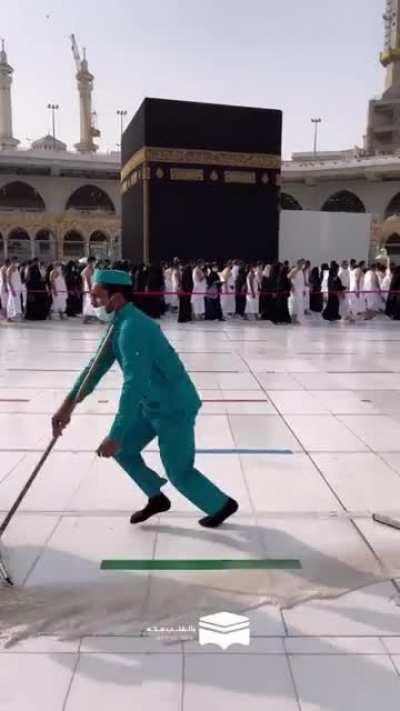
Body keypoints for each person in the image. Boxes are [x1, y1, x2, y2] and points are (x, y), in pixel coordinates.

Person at [52, 269, 238, 527]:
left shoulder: (133, 329)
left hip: (174, 407)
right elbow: (93, 370)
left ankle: (221, 505)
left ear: (115, 298)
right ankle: (156, 497)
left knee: (178, 472)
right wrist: (66, 407)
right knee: (125, 451)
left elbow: (133, 385)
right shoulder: (118, 324)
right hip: (151, 404)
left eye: (96, 296)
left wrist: (115, 434)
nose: (91, 302)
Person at [81, 257, 98, 324]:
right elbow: (87, 280)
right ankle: (85, 319)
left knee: (92, 302)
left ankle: (89, 318)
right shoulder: (87, 270)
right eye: (93, 262)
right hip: (89, 288)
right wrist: (90, 289)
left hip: (93, 286)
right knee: (89, 302)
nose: (94, 263)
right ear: (90, 262)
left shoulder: (93, 269)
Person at [288, 259, 306, 323]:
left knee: (298, 305)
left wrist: (303, 290)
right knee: (294, 304)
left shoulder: (301, 271)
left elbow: (302, 281)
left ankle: (295, 318)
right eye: (303, 263)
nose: (304, 265)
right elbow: (288, 278)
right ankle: (292, 318)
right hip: (295, 290)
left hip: (300, 290)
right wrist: (292, 286)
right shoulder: (294, 270)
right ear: (299, 263)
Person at [6, 256, 23, 322]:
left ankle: (13, 316)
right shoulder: (10, 269)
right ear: (12, 261)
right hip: (13, 288)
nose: (16, 262)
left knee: (15, 302)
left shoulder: (16, 268)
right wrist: (12, 289)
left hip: (17, 287)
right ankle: (9, 316)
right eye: (15, 261)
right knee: (11, 301)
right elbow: (8, 280)